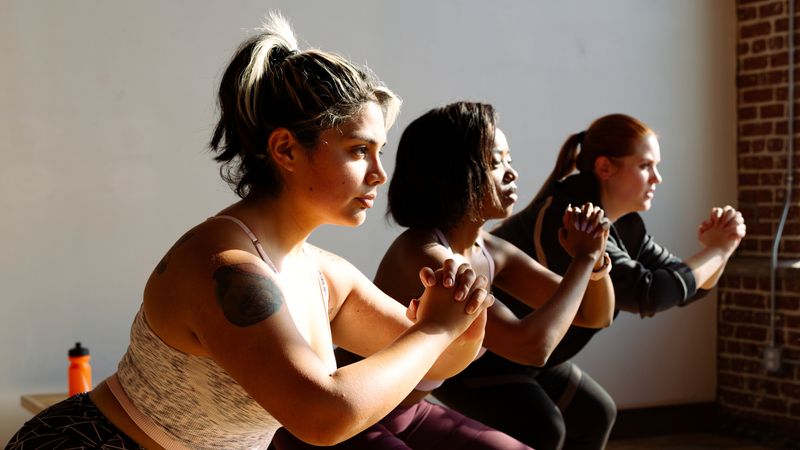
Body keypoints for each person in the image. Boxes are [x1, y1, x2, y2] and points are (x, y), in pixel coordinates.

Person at [5, 13, 495, 450]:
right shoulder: (226, 266)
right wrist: (435, 327)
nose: (378, 174)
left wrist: (464, 310)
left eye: (379, 151)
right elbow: (324, 417)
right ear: (285, 150)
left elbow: (439, 360)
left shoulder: (323, 275)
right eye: (357, 151)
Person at [271, 101, 615, 450]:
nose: (511, 173)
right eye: (495, 163)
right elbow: (533, 346)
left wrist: (596, 262)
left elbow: (594, 314)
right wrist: (584, 259)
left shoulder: (489, 250)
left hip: (408, 412)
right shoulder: (424, 254)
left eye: (508, 161)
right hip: (353, 418)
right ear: (453, 173)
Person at [435, 113, 747, 450]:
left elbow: (683, 285)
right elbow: (649, 293)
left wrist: (720, 250)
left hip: (533, 355)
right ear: (605, 168)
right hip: (479, 359)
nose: (657, 178)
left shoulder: (625, 225)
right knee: (545, 427)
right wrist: (718, 250)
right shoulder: (573, 219)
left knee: (595, 413)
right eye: (645, 166)